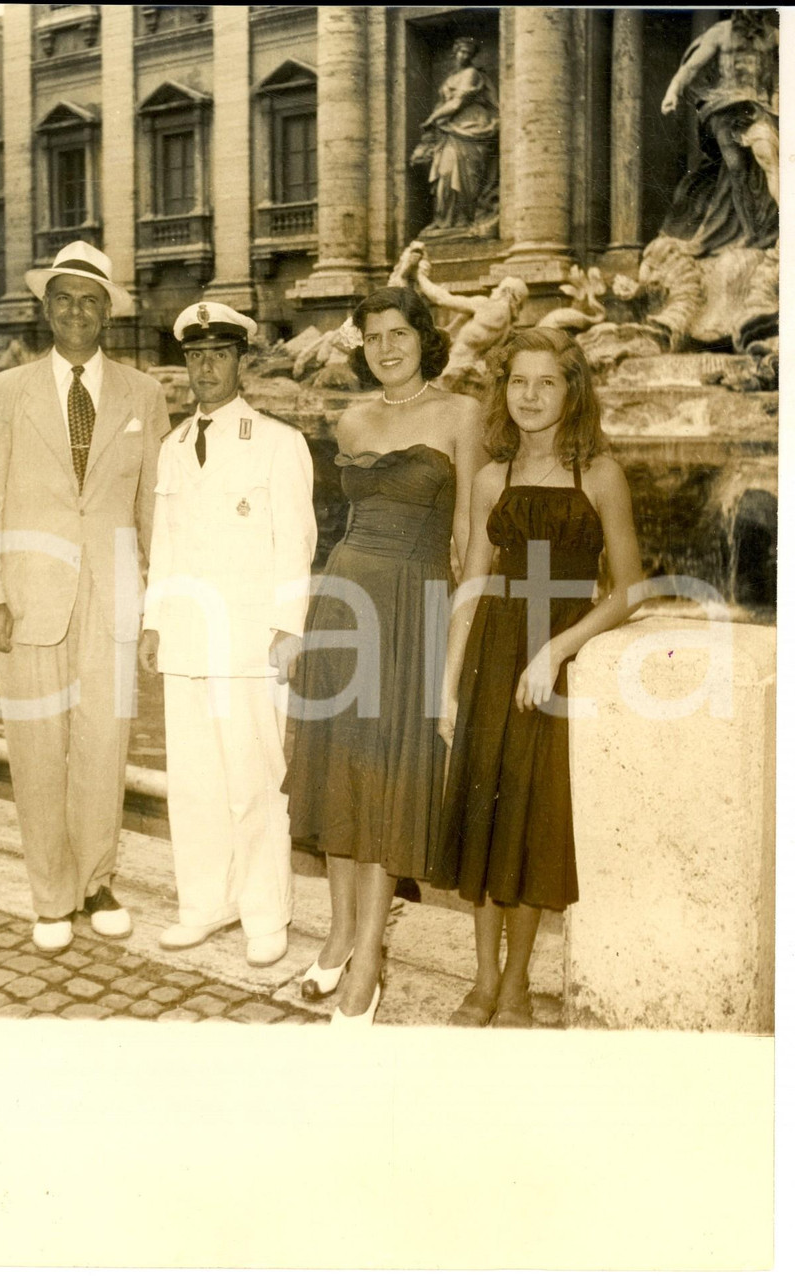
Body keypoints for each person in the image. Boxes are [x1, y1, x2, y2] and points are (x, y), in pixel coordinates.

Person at [284, 286, 487, 1025]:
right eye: (373, 337)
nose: (387, 348)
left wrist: (453, 655)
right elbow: (346, 527)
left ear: (424, 338)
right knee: (340, 771)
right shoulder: (353, 419)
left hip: (411, 609)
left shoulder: (463, 414)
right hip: (343, 602)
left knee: (385, 782)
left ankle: (368, 957)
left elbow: (473, 542)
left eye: (399, 333)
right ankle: (339, 934)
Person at [432, 328, 643, 1027]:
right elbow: (472, 586)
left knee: (529, 821)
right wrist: (447, 686)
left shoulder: (600, 475)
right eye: (518, 381)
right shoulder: (491, 478)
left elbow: (630, 589)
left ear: (571, 391)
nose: (529, 395)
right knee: (485, 816)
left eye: (546, 382)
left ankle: (519, 981)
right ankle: (484, 978)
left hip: (554, 665)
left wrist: (558, 650)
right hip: (494, 657)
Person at [0, 240, 170, 952]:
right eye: (64, 299)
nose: (77, 312)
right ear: (46, 308)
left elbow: (155, 509)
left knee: (103, 746)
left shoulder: (144, 394)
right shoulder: (5, 392)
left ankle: (97, 883)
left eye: (90, 300)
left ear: (107, 312)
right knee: (35, 747)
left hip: (113, 598)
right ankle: (51, 897)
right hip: (27, 599)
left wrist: (159, 604)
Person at [139, 302, 317, 968]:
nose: (205, 368)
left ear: (241, 361)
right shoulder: (173, 447)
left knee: (254, 782)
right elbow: (165, 544)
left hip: (248, 641)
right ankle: (206, 902)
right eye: (195, 356)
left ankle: (266, 913)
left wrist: (288, 626)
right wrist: (154, 621)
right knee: (193, 782)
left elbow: (296, 541)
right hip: (187, 637)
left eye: (217, 355)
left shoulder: (276, 442)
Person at [660, 10, 779, 255]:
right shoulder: (720, 33)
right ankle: (751, 232)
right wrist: (673, 90)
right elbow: (692, 67)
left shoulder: (774, 36)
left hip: (758, 108)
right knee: (737, 170)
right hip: (725, 108)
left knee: (769, 159)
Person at [411, 35, 499, 234]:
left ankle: (463, 220)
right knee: (445, 174)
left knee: (467, 175)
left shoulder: (471, 74)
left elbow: (458, 102)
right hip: (450, 129)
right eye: (461, 51)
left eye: (469, 53)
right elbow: (444, 103)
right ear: (455, 53)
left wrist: (432, 119)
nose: (464, 56)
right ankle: (445, 220)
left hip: (472, 125)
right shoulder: (450, 78)